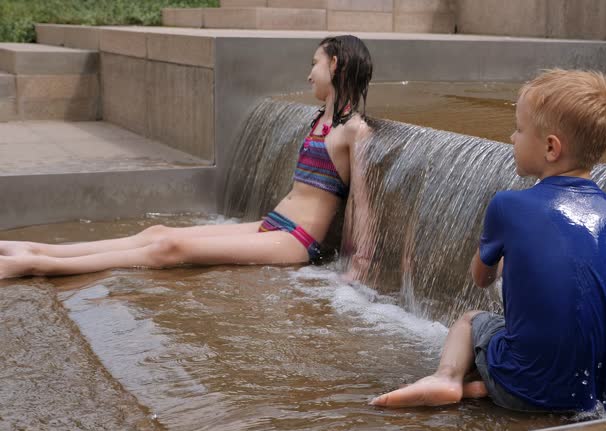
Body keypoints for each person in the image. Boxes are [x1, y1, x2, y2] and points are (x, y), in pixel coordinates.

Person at [370, 70, 606, 412]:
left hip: (522, 388)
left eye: (519, 130)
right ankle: (484, 387)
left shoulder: (508, 205)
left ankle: (446, 378)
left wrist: (507, 260)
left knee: (471, 320)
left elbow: (481, 278)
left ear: (551, 147)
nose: (511, 137)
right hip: (593, 397)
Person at [0, 35, 373, 279]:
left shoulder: (354, 131)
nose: (309, 75)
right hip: (273, 223)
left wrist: (357, 267)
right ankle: (42, 248)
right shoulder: (318, 120)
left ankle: (37, 265)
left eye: (315, 63)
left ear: (336, 65)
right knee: (157, 232)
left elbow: (364, 205)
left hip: (296, 241)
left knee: (168, 248)